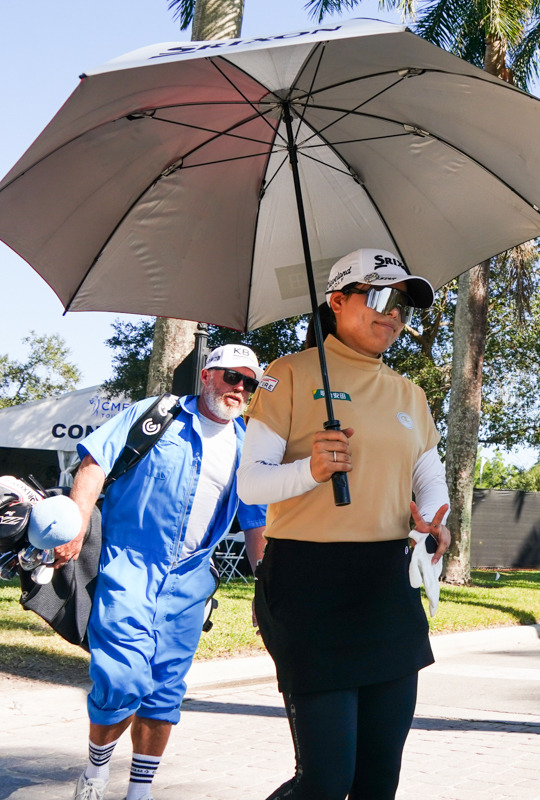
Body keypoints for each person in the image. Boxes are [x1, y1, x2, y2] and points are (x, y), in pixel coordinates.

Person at [237, 248, 450, 800]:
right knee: (326, 782)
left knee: (379, 780)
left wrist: (434, 521)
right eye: (379, 297)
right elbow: (251, 484)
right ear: (336, 301)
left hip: (387, 584)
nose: (393, 314)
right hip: (308, 583)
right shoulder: (287, 375)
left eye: (402, 304)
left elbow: (429, 477)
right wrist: (310, 469)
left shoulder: (411, 394)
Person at [54, 344, 268, 800]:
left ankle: (140, 791)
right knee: (122, 676)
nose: (240, 390)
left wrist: (265, 589)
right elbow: (95, 461)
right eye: (233, 377)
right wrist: (74, 521)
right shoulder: (157, 415)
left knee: (164, 690)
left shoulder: (248, 444)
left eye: (249, 384)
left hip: (191, 580)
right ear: (207, 376)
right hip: (129, 563)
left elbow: (255, 521)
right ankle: (94, 773)